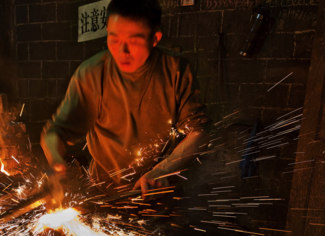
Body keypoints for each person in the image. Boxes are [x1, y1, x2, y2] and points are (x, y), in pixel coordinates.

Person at [41, 0, 210, 200]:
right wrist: (56, 163)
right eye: (114, 38)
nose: (123, 51)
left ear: (154, 39)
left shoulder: (176, 70)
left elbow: (199, 132)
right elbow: (55, 132)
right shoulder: (92, 73)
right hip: (104, 196)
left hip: (159, 195)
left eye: (134, 40)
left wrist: (161, 170)